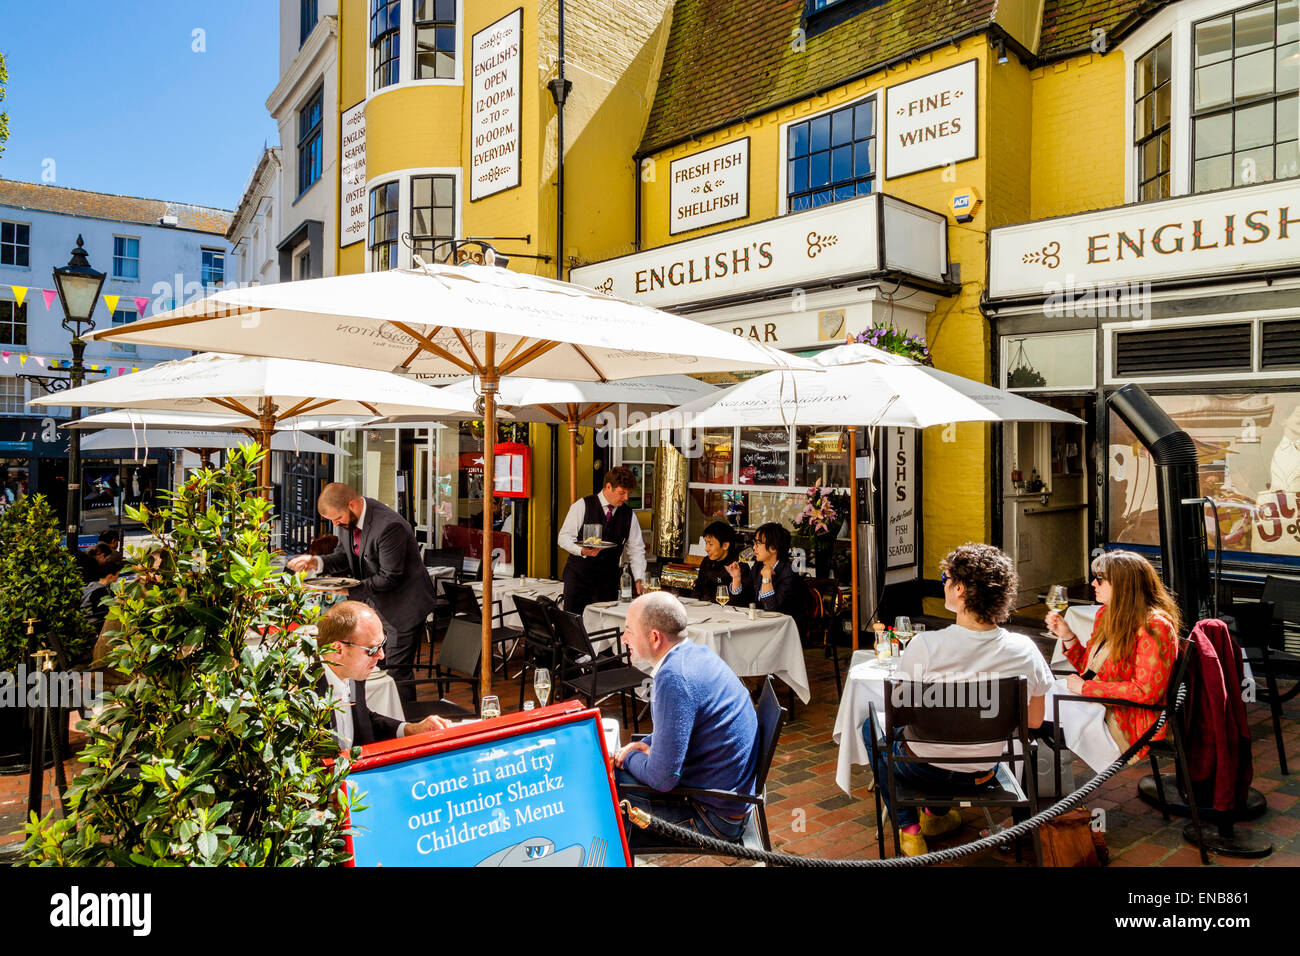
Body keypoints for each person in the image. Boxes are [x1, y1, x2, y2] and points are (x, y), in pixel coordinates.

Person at [864, 543, 1053, 857]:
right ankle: (934, 816)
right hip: (984, 769)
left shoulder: (926, 645)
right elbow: (1033, 722)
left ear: (961, 589)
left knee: (870, 730)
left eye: (946, 578)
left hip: (922, 768)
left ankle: (909, 829)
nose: (944, 585)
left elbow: (901, 715)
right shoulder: (1024, 649)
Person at [613, 592, 758, 845]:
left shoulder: (674, 678)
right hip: (729, 800)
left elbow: (663, 778)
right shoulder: (695, 653)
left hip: (714, 820)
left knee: (606, 792)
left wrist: (626, 757)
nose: (624, 639)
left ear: (654, 637)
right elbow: (688, 725)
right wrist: (648, 743)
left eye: (629, 631)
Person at [286, 483, 437, 702]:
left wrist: (347, 589)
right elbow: (343, 557)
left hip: (404, 608)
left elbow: (390, 577)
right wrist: (315, 561)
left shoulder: (388, 526)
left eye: (337, 518)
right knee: (371, 667)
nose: (335, 524)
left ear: (352, 505)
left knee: (395, 672)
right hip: (376, 605)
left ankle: (406, 723)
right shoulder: (348, 521)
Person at [1045, 549, 1180, 758]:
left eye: (1100, 579)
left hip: (1127, 720)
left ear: (1123, 584)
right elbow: (1090, 670)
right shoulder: (1107, 614)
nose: (1093, 584)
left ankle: (1035, 785)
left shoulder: (1154, 626)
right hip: (1098, 705)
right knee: (1030, 706)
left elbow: (1147, 691)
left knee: (1033, 716)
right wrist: (1068, 636)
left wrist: (1086, 688)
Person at [316, 601, 449, 749]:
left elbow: (363, 720)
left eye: (382, 644)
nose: (381, 655)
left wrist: (411, 729)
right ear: (338, 649)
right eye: (372, 649)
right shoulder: (300, 690)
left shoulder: (353, 673)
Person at [557, 465, 647, 614]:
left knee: (604, 628)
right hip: (578, 580)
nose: (626, 498)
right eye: (622, 493)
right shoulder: (582, 505)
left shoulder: (629, 515)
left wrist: (639, 578)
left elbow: (636, 549)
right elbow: (564, 538)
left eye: (628, 493)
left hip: (607, 583)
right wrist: (581, 550)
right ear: (608, 487)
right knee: (574, 627)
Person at [727, 522, 801, 616]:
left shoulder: (789, 572)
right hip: (760, 623)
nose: (754, 547)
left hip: (783, 627)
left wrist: (766, 578)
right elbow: (740, 603)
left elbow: (771, 609)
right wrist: (736, 578)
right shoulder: (758, 566)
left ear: (773, 547)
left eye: (758, 543)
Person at [689, 520, 744, 603]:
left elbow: (741, 600)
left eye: (710, 544)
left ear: (725, 545)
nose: (706, 549)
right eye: (706, 543)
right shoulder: (707, 561)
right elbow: (698, 589)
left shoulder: (738, 565)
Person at [80, 548, 126, 634]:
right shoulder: (100, 591)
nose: (117, 579)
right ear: (110, 576)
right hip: (94, 628)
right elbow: (105, 613)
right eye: (117, 575)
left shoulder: (92, 584)